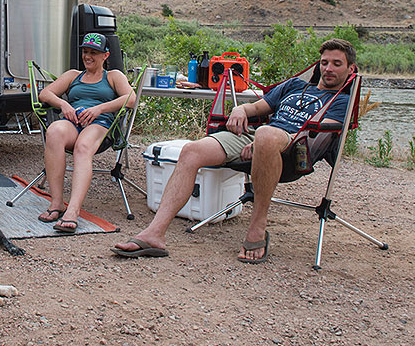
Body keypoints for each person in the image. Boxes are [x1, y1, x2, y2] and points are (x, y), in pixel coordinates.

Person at [113, 38, 357, 263]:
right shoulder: (294, 85)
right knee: (191, 151)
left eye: (337, 64)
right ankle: (155, 234)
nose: (329, 69)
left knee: (266, 134)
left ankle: (257, 226)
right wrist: (241, 110)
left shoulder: (343, 101)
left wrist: (265, 142)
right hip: (256, 137)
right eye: (324, 62)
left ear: (349, 69)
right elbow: (258, 107)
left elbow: (319, 134)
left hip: (295, 148)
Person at [36, 32, 137, 233]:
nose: (88, 56)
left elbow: (131, 98)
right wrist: (64, 104)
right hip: (73, 121)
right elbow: (45, 94)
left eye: (94, 52)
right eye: (85, 51)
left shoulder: (113, 76)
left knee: (83, 146)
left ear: (105, 55)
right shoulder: (73, 75)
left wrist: (99, 109)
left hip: (99, 124)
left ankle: (73, 210)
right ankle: (57, 203)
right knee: (54, 131)